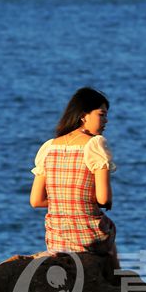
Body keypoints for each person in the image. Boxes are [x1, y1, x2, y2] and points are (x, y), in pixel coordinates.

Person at [30, 87, 118, 265]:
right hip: (87, 237)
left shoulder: (48, 147)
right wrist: (99, 202)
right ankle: (116, 282)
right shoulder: (95, 145)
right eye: (101, 115)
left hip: (56, 239)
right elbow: (103, 198)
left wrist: (65, 201)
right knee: (109, 232)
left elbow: (36, 201)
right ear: (84, 115)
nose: (106, 121)